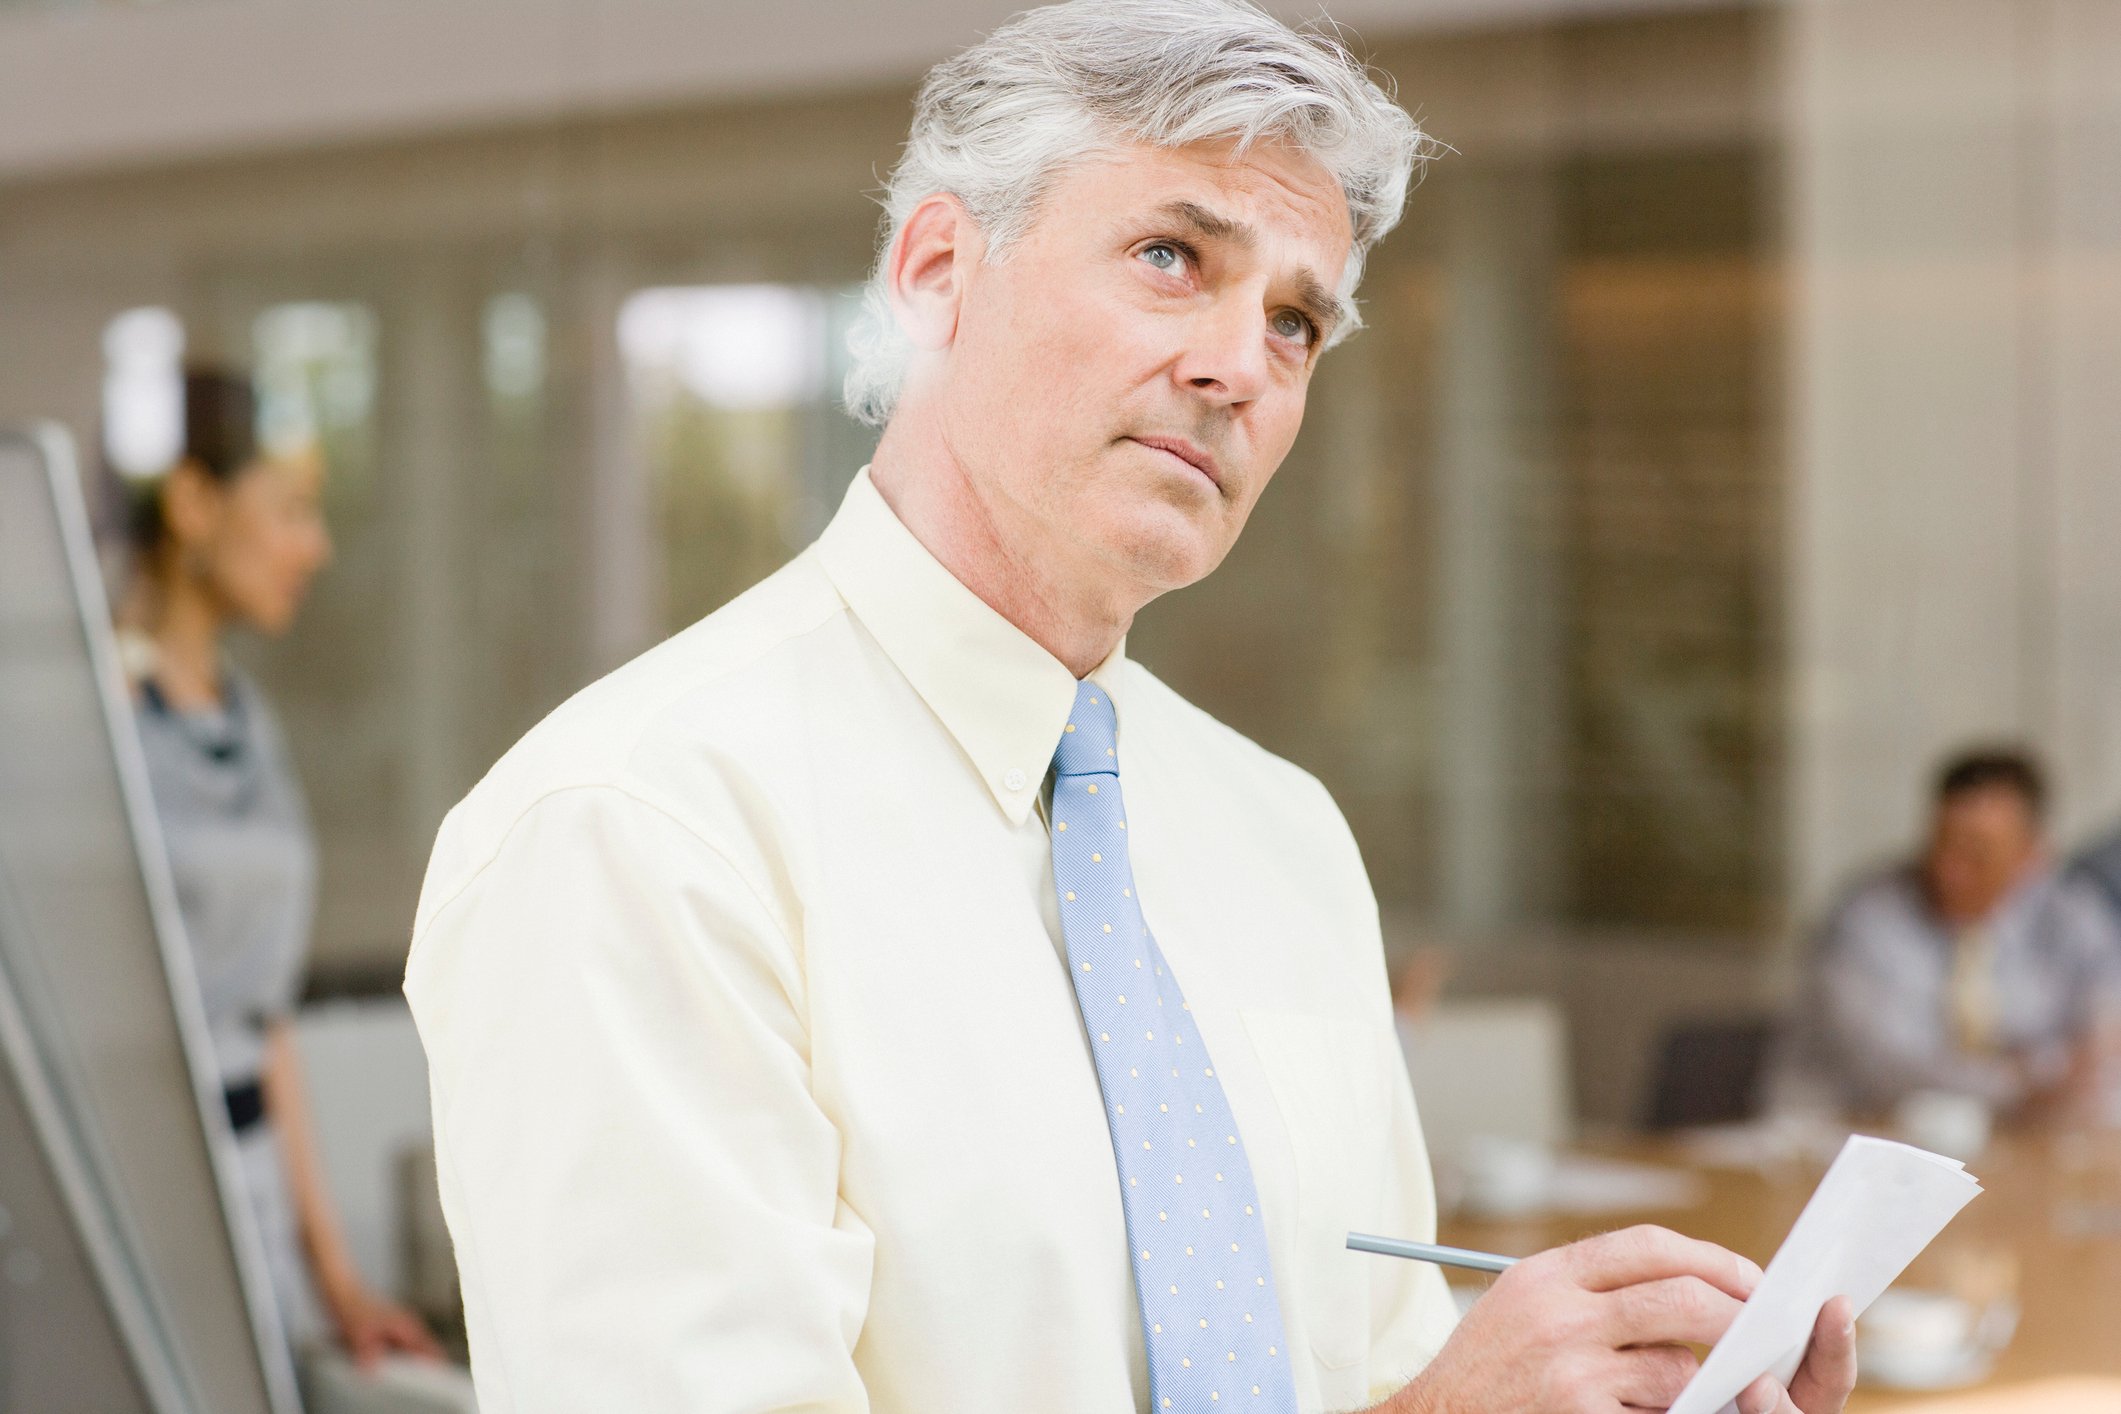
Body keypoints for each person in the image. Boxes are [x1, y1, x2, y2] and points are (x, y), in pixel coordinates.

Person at [404, 4, 1854, 1411]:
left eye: (1294, 321)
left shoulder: (1280, 834)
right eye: (1172, 255)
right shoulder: (638, 830)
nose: (1238, 366)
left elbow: (1373, 1367)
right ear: (932, 271)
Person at [115, 368, 443, 1370]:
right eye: (291, 510)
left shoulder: (247, 726)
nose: (316, 547)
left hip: (250, 1202)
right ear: (194, 504)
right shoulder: (92, 728)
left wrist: (337, 1281)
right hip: (136, 1201)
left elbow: (268, 1024)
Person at [1778, 748, 2121, 1123]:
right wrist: (2028, 1079)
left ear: (2031, 856)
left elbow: (2104, 1040)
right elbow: (1897, 1068)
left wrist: (2059, 1075)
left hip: (2023, 1145)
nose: (1950, 872)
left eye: (1978, 854)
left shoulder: (2070, 917)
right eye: (1941, 844)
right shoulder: (1865, 919)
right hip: (1849, 1139)